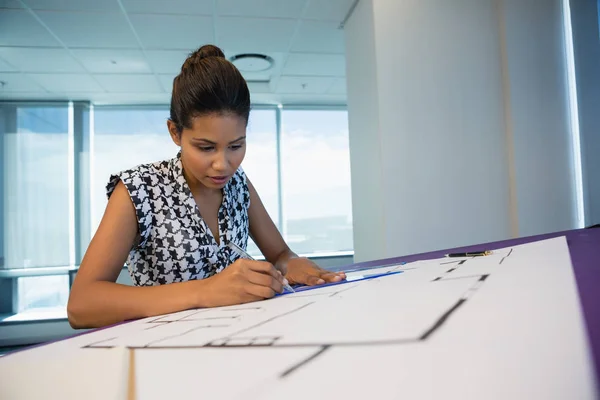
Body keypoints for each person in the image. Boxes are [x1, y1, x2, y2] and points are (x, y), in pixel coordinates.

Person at [67, 44, 346, 329]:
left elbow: (279, 254)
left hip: (242, 339)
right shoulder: (138, 190)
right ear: (175, 132)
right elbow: (81, 306)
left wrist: (292, 264)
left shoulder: (239, 184)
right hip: (165, 351)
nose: (223, 164)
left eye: (236, 145)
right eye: (205, 147)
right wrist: (204, 291)